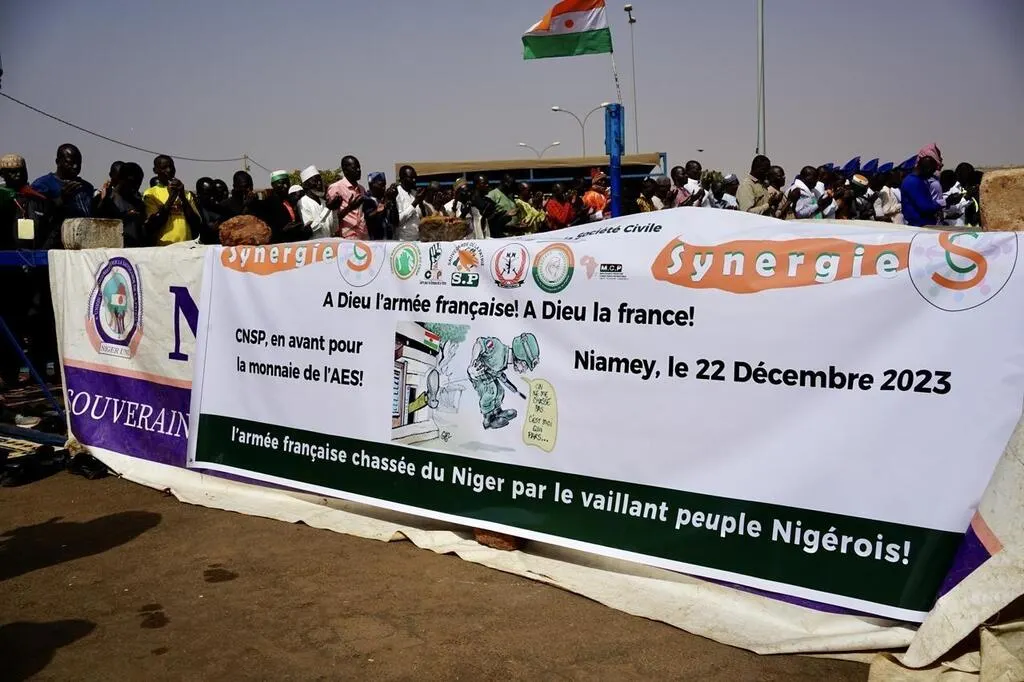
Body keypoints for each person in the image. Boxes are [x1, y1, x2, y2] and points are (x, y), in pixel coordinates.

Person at [142, 155, 202, 245]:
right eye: (164, 168)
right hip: (163, 247)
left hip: (186, 246)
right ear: (155, 170)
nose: (169, 170)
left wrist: (182, 197)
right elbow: (152, 225)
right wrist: (171, 198)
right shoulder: (151, 193)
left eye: (171, 167)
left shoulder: (186, 194)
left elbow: (196, 223)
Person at [31, 143, 94, 221]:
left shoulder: (87, 187)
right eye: (71, 162)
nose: (75, 166)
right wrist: (61, 200)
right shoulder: (42, 185)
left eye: (78, 163)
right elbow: (38, 216)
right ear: (58, 162)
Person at [95, 161, 147, 246]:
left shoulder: (138, 202)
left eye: (139, 183)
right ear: (122, 179)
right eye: (133, 183)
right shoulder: (105, 198)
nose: (137, 187)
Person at [257, 170, 311, 242]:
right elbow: (266, 230)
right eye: (281, 183)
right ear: (273, 185)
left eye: (287, 183)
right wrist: (283, 230)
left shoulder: (291, 201)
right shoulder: (268, 203)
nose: (285, 186)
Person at [901, 146, 947, 227]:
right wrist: (944, 202)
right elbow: (926, 207)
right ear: (928, 169)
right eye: (932, 171)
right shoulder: (914, 182)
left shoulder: (917, 180)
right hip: (919, 226)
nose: (931, 175)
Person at [326, 156, 368, 240]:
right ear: (345, 170)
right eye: (354, 168)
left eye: (359, 167)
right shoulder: (336, 187)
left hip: (362, 235)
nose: (358, 170)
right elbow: (331, 218)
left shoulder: (361, 189)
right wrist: (350, 208)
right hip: (345, 238)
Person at [297, 166, 338, 240]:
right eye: (315, 181)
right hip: (313, 245)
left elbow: (334, 229)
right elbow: (310, 229)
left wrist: (334, 210)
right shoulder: (303, 202)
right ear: (306, 185)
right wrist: (328, 209)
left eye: (320, 180)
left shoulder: (324, 202)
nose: (319, 183)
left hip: (328, 244)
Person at [390, 165, 424, 241]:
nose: (414, 180)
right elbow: (398, 221)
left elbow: (421, 216)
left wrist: (421, 203)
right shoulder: (396, 194)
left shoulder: (415, 193)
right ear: (402, 179)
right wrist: (415, 203)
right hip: (403, 240)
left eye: (415, 177)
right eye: (411, 178)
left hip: (418, 239)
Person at [193, 176, 225, 243]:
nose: (212, 197)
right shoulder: (194, 210)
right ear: (198, 193)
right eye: (207, 194)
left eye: (213, 193)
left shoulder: (221, 209)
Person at [363, 172, 392, 240]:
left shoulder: (385, 199)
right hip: (374, 241)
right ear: (371, 185)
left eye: (384, 185)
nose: (383, 188)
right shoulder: (366, 200)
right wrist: (380, 209)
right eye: (381, 185)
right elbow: (368, 218)